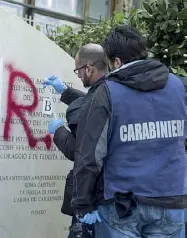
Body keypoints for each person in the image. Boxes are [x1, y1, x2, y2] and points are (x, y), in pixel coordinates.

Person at [67, 25, 186, 238]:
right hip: (172, 201)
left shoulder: (107, 92)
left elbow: (90, 155)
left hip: (121, 206)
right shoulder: (178, 86)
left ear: (117, 62)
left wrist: (82, 203)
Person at [42, 43, 108, 237]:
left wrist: (59, 130)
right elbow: (91, 102)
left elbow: (78, 152)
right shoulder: (110, 90)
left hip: (92, 198)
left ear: (89, 68)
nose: (77, 75)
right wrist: (64, 91)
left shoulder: (103, 94)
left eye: (78, 70)